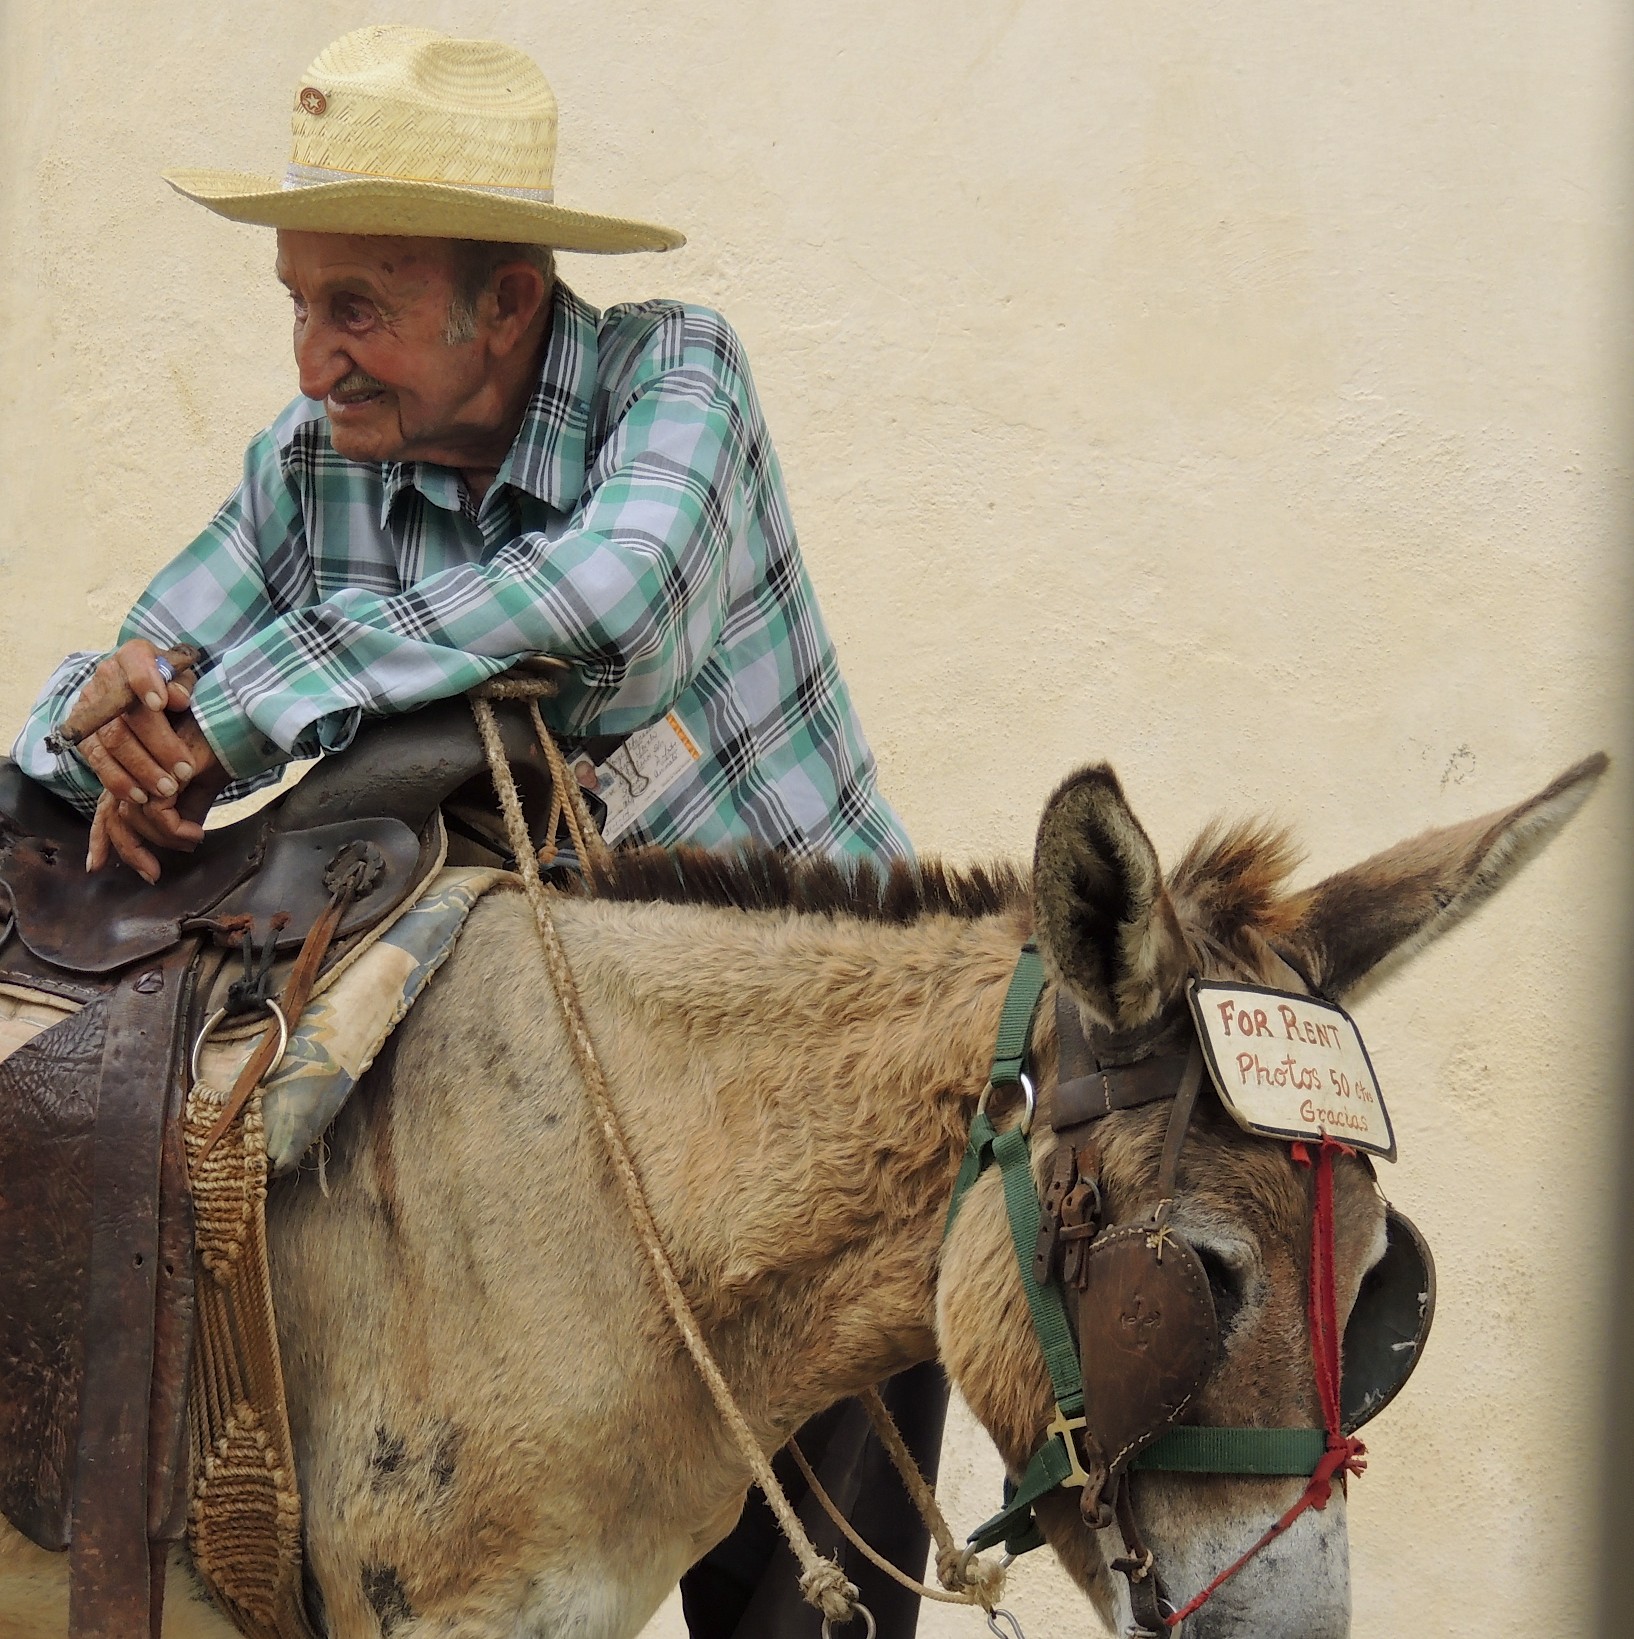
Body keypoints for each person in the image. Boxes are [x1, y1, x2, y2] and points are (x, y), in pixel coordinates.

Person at [9, 24, 943, 1639]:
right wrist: (111, 717)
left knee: (808, 1617)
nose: (314, 361)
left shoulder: (677, 376)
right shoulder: (308, 464)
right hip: (560, 1149)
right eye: (299, 303)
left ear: (507, 301)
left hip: (805, 1115)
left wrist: (245, 701)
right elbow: (141, 674)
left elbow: (606, 608)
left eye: (354, 308)